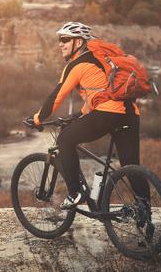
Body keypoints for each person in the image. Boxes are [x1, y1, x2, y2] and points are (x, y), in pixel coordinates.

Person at [31, 22, 149, 209]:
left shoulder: (77, 64)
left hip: (108, 114)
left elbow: (57, 96)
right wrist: (78, 115)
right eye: (59, 40)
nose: (60, 44)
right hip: (130, 113)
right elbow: (98, 95)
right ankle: (145, 213)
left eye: (65, 39)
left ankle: (76, 192)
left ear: (78, 42)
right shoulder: (101, 60)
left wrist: (38, 118)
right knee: (131, 167)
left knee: (65, 140)